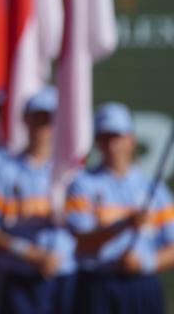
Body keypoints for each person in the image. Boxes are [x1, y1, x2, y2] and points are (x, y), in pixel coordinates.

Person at [65, 102, 174, 314]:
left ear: (131, 140)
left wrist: (146, 263)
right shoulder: (82, 184)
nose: (113, 146)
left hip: (142, 286)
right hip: (97, 285)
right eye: (105, 138)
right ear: (97, 142)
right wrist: (124, 225)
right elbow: (81, 239)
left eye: (118, 137)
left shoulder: (154, 188)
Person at [0, 86, 77, 314]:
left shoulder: (72, 174)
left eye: (50, 119)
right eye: (38, 118)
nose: (44, 127)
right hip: (17, 278)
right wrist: (31, 254)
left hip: (65, 276)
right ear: (25, 120)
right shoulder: (5, 172)